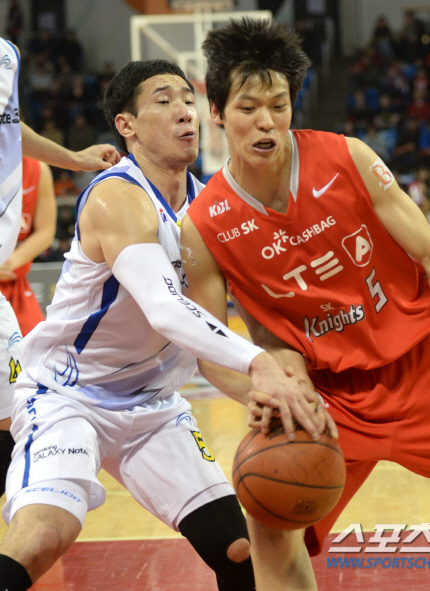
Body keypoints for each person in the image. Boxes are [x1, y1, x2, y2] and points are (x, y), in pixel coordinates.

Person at [180, 18, 430, 591]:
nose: (266, 120)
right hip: (328, 399)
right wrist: (267, 390)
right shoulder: (203, 226)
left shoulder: (347, 158)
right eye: (248, 107)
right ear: (217, 112)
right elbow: (209, 347)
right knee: (270, 525)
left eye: (279, 105)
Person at [0, 58, 330, 591]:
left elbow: (212, 347)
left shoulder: (211, 209)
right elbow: (165, 308)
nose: (184, 112)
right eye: (164, 100)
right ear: (126, 125)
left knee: (240, 551)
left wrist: (272, 396)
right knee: (43, 536)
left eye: (188, 99)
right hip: (69, 396)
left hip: (154, 406)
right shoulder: (116, 195)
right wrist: (260, 365)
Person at [1, 36, 120, 503]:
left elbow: (11, 127)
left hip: (6, 284)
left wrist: (73, 158)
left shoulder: (8, 54)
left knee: (13, 414)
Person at [0, 157, 56, 336]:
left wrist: (10, 261)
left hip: (15, 285)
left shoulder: (37, 168)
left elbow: (45, 231)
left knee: (36, 347)